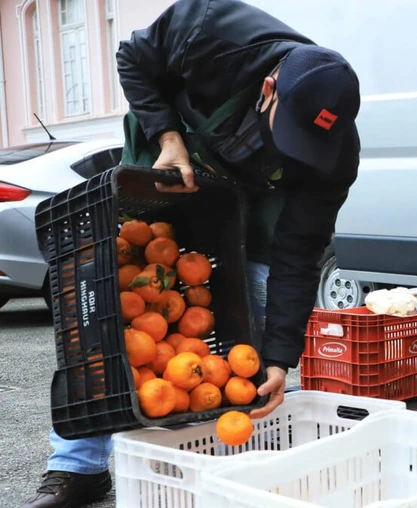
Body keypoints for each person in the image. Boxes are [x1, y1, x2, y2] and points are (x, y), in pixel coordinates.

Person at [21, 1, 360, 506]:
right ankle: (79, 467)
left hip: (251, 215)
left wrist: (281, 358)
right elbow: (133, 57)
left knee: (254, 344)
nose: (296, 150)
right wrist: (169, 136)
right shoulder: (212, 29)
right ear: (270, 89)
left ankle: (216, 464)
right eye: (291, 135)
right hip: (162, 184)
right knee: (104, 315)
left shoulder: (335, 160)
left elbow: (299, 255)